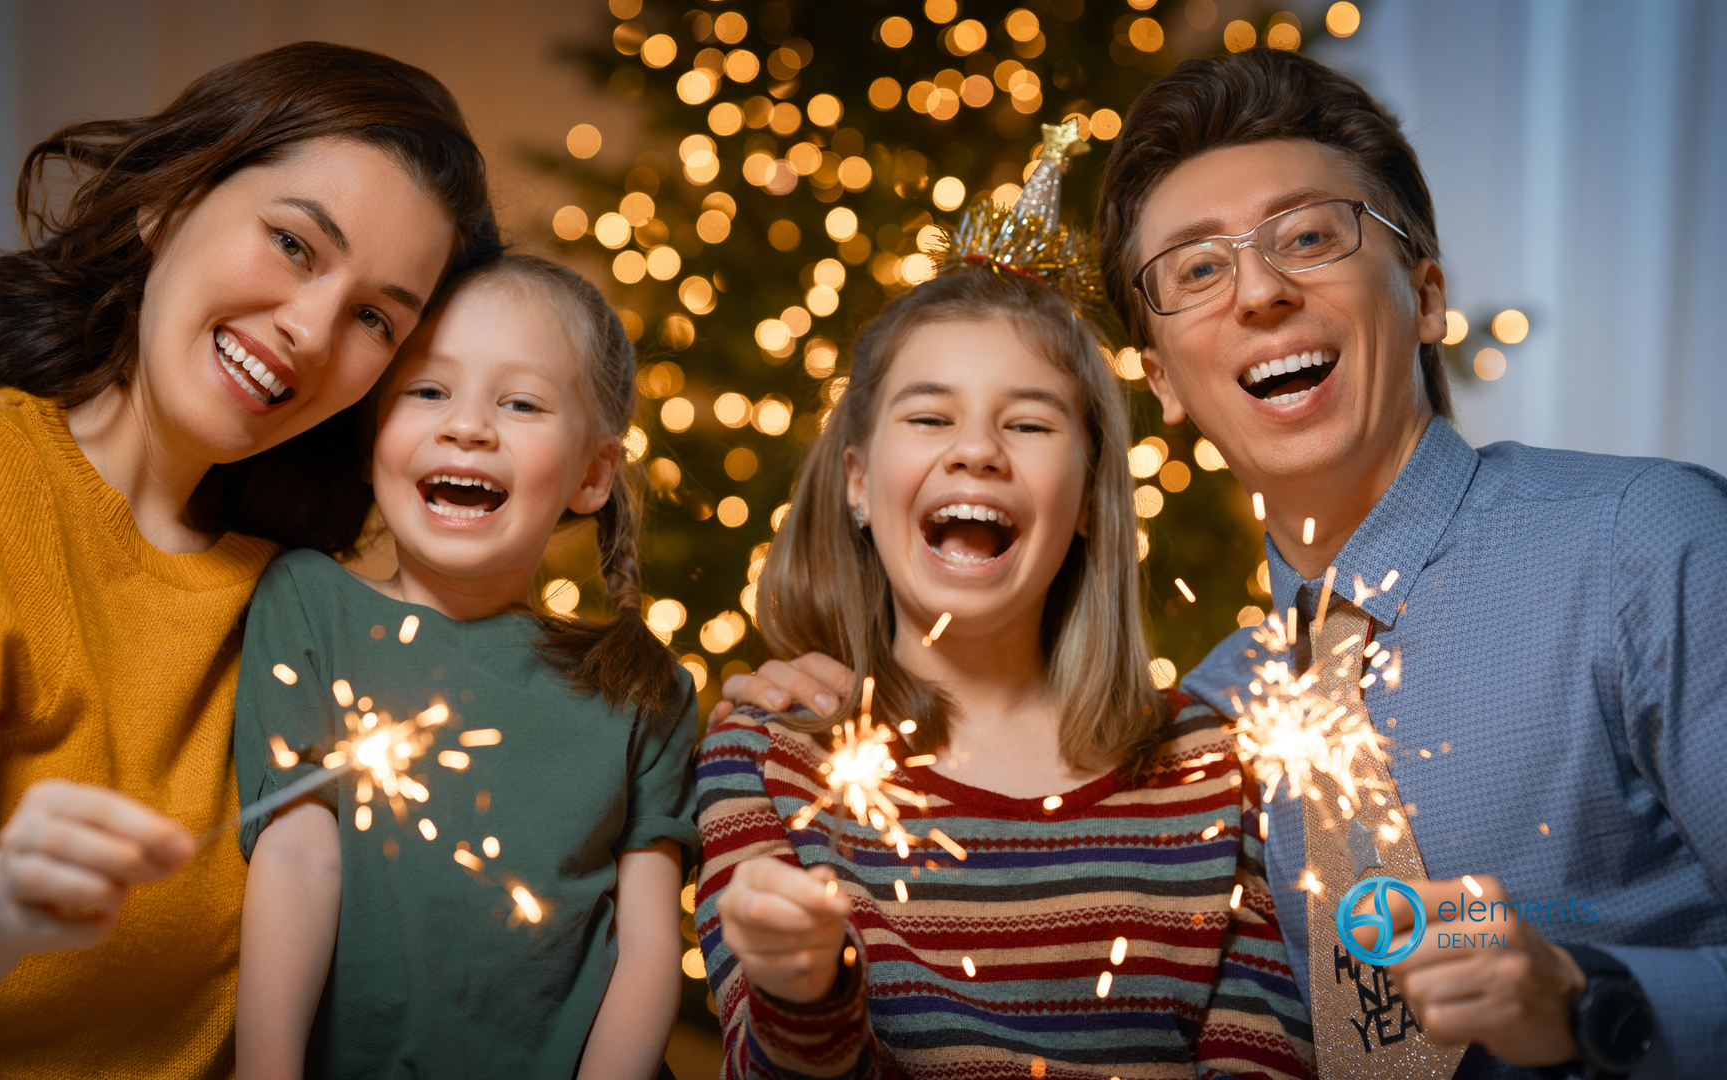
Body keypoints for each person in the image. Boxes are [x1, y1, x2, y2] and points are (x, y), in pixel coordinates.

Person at [726, 48, 1727, 1080]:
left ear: (1425, 297)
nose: (1258, 290)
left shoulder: (1641, 548)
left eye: (1309, 236)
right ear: (1161, 379)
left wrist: (1596, 999)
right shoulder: (1210, 729)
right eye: (1197, 268)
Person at [0, 43, 494, 1077]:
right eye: (293, 244)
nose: (310, 331)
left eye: (372, 319)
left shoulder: (301, 596)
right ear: (168, 204)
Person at [694, 199, 1313, 1078]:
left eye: (1028, 423)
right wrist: (805, 993)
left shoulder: (1210, 766)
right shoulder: (768, 756)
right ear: (860, 485)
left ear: (1089, 494)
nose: (978, 451)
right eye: (929, 418)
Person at [232, 255, 698, 1080]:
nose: (469, 427)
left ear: (592, 473)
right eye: (428, 391)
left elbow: (650, 946)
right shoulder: (308, 605)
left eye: (519, 403)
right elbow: (300, 854)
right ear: (377, 429)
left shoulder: (642, 689)